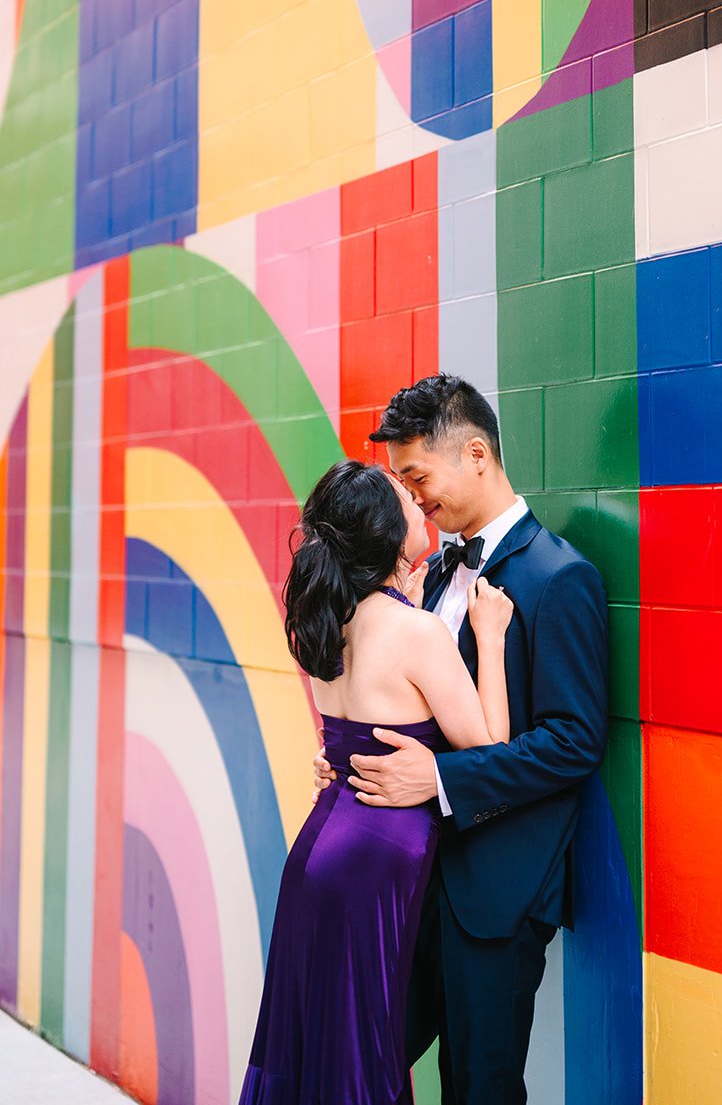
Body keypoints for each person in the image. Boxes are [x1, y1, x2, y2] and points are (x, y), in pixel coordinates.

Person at [312, 375, 609, 1105]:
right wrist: (358, 762)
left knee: (478, 1088)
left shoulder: (558, 578)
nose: (414, 503)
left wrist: (438, 783)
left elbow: (573, 741)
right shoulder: (433, 572)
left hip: (497, 892)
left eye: (418, 480)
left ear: (476, 453)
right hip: (411, 876)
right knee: (363, 1060)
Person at [239, 458, 514, 1105]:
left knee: (320, 1040)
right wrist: (491, 636)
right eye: (407, 504)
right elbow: (489, 748)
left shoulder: (328, 623)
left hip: (323, 844)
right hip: (376, 854)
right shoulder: (417, 633)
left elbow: (352, 728)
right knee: (361, 1043)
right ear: (388, 536)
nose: (421, 507)